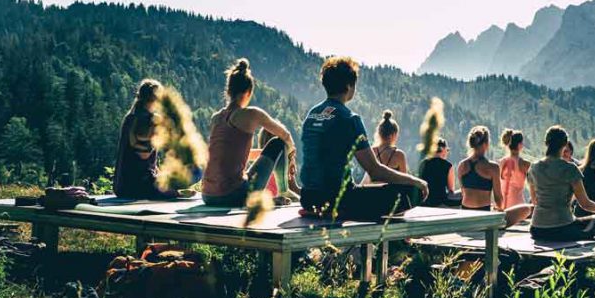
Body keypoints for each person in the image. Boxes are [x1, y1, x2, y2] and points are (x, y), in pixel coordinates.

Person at [300, 56, 428, 221]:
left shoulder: (312, 115)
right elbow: (374, 171)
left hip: (308, 199)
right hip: (339, 201)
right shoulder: (350, 119)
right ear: (349, 86)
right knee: (410, 192)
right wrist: (416, 181)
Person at [201, 59, 296, 207]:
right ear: (248, 92)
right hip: (232, 196)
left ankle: (265, 199)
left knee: (248, 172)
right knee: (278, 143)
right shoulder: (251, 114)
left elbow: (229, 154)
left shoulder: (216, 118)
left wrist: (262, 154)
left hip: (207, 195)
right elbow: (286, 136)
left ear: (228, 91)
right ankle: (283, 191)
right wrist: (291, 155)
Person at [528, 125, 595, 242]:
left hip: (536, 229)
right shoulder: (570, 169)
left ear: (546, 143)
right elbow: (585, 204)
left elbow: (534, 201)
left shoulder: (534, 167)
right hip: (563, 228)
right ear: (565, 143)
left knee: (580, 222)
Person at [113, 79, 178, 200]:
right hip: (138, 186)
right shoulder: (148, 120)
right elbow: (143, 156)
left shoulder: (130, 117)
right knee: (188, 177)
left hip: (121, 186)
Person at [458, 126, 532, 225]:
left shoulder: (461, 166)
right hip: (483, 215)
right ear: (486, 144)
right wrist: (498, 209)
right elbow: (498, 199)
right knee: (526, 209)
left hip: (465, 213)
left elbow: (463, 192)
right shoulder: (492, 167)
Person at [361, 110, 407, 183]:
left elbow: (366, 179)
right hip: (392, 193)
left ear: (379, 133)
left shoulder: (372, 151)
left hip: (373, 193)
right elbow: (404, 181)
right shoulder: (399, 155)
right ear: (393, 134)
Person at [418, 137, 460, 207]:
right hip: (441, 201)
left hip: (425, 201)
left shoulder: (423, 163)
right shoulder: (448, 165)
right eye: (447, 150)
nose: (447, 152)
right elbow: (451, 190)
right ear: (443, 149)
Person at [499, 129, 531, 209]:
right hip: (517, 205)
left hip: (502, 204)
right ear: (520, 145)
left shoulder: (500, 163)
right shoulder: (525, 164)